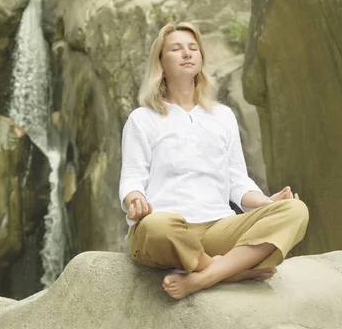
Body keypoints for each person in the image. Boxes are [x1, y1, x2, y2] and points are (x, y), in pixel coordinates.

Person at [119, 21, 309, 299]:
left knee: (295, 210)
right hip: (168, 230)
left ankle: (202, 277)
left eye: (192, 48)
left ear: (201, 59)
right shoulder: (142, 118)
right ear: (160, 61)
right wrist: (134, 201)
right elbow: (132, 177)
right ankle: (232, 270)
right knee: (155, 225)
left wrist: (267, 203)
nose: (187, 53)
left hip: (218, 227)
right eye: (176, 49)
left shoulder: (223, 116)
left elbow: (237, 181)